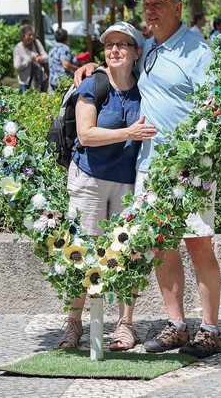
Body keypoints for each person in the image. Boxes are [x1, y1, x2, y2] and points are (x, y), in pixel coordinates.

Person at [76, 0, 221, 358]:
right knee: (159, 247)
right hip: (150, 167)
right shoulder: (149, 49)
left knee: (199, 246)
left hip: (191, 168)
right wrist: (93, 65)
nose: (151, 10)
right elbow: (118, 59)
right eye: (146, 4)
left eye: (159, 3)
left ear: (178, 6)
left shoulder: (197, 51)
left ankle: (210, 330)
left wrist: (196, 156)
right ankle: (176, 324)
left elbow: (217, 105)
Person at [56, 21, 156, 352]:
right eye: (109, 45)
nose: (114, 50)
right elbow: (86, 135)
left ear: (136, 53)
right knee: (81, 252)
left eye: (122, 45)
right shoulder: (94, 86)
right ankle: (74, 323)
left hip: (127, 180)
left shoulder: (146, 87)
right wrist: (128, 133)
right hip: (89, 178)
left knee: (126, 253)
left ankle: (125, 325)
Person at [13, 24, 49, 92]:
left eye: (32, 34)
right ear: (23, 36)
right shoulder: (17, 48)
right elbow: (17, 66)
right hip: (25, 82)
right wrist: (30, 59)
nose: (32, 37)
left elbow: (46, 57)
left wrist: (40, 59)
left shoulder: (36, 43)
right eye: (29, 35)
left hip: (41, 78)